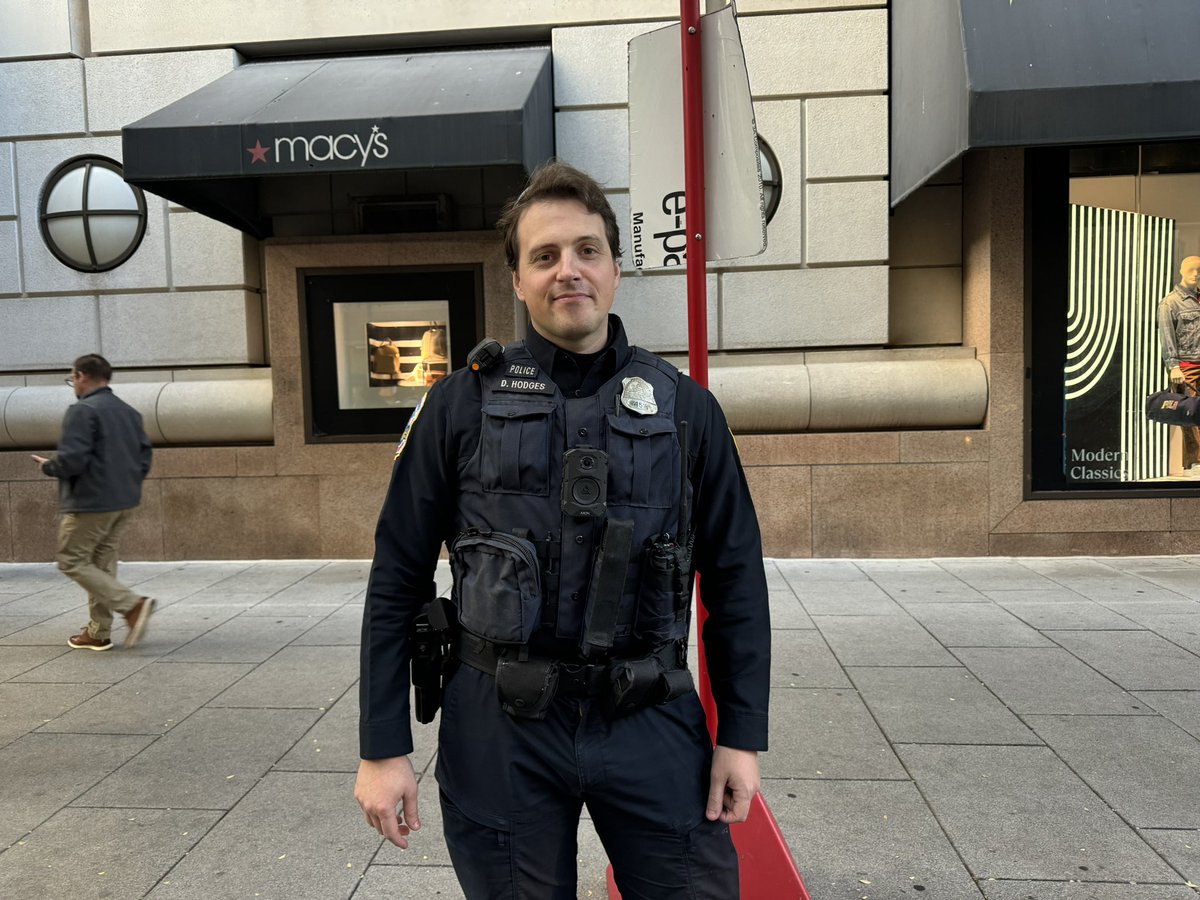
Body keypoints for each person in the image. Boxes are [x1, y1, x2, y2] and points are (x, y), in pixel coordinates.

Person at [354, 161, 770, 899]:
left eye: (586, 250)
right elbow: (397, 578)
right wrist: (383, 749)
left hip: (649, 714)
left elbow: (736, 579)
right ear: (517, 279)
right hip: (500, 725)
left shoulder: (686, 410)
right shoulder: (458, 407)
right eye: (543, 256)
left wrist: (740, 733)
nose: (566, 271)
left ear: (615, 267)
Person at [32, 354, 155, 651]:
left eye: (72, 378)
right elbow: (144, 458)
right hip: (124, 501)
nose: (73, 384)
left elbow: (73, 460)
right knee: (100, 565)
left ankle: (133, 606)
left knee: (71, 560)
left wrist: (49, 466)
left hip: (91, 503)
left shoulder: (82, 410)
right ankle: (99, 632)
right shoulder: (129, 412)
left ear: (81, 375)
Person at [1157, 255, 1200, 470]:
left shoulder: (1199, 298)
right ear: (1181, 271)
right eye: (1191, 269)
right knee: (1190, 413)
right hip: (1186, 367)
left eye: (1199, 270)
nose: (1196, 274)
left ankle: (1194, 460)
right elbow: (1167, 337)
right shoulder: (1169, 303)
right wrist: (1173, 365)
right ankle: (1192, 460)